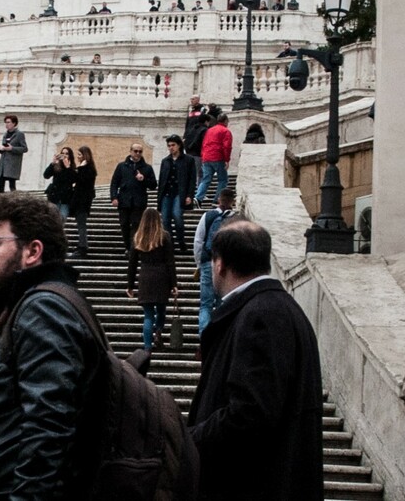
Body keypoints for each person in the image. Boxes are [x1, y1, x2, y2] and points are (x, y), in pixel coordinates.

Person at [0, 192, 102, 497]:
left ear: (32, 251)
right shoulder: (39, 305)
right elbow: (10, 413)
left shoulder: (44, 308)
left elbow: (48, 428)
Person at [189, 221, 323, 501]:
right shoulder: (279, 308)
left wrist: (188, 440)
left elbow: (250, 414)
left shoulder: (260, 315)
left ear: (219, 264)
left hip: (252, 485)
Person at [126, 208, 177, 352]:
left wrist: (130, 284)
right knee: (161, 310)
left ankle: (147, 348)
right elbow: (170, 262)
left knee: (148, 315)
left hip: (146, 277)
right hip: (162, 277)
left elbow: (132, 264)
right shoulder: (164, 236)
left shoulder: (138, 237)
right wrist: (174, 284)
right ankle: (159, 331)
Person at [193, 188, 238, 334]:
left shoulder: (208, 216)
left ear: (219, 199)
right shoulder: (237, 220)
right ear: (233, 201)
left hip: (208, 262)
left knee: (205, 305)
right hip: (227, 266)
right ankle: (219, 340)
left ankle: (204, 340)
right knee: (222, 304)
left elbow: (198, 241)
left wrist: (199, 263)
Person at [110, 142, 158, 253]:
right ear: (130, 151)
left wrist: (143, 179)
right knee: (124, 224)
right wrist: (114, 197)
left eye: (140, 151)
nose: (137, 153)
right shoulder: (122, 166)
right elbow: (114, 183)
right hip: (124, 200)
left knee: (136, 225)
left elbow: (153, 185)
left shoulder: (147, 168)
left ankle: (133, 248)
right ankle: (128, 246)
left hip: (139, 201)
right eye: (135, 151)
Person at [157, 134, 197, 252]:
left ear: (179, 145)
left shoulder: (189, 160)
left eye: (173, 145)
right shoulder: (165, 161)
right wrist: (159, 197)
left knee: (177, 215)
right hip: (166, 193)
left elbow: (192, 179)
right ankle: (170, 243)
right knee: (165, 219)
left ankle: (180, 240)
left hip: (180, 192)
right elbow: (162, 179)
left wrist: (190, 195)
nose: (171, 148)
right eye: (169, 146)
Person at [194, 113, 233, 203]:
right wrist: (227, 160)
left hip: (207, 157)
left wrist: (203, 156)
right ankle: (217, 200)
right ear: (226, 121)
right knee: (223, 179)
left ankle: (198, 197)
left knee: (206, 179)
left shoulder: (209, 130)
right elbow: (227, 146)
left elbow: (204, 144)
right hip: (218, 158)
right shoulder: (225, 131)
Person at [67, 146, 97, 259]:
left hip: (82, 201)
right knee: (80, 224)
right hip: (80, 201)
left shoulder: (88, 169)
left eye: (79, 155)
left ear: (85, 155)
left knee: (81, 225)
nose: (78, 157)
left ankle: (82, 247)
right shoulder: (87, 168)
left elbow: (79, 179)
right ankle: (81, 246)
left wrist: (79, 168)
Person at [42, 146, 76, 221]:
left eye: (67, 154)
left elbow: (73, 179)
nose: (64, 155)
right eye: (62, 153)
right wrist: (52, 163)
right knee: (53, 218)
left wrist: (68, 167)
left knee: (63, 217)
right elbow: (46, 175)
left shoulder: (71, 167)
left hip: (65, 198)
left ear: (70, 155)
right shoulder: (56, 166)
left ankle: (59, 232)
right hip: (55, 196)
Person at [0, 114, 27, 192]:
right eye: (6, 122)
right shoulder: (5, 134)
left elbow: (24, 148)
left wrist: (12, 148)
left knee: (12, 185)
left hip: (13, 164)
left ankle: (13, 202)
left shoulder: (19, 134)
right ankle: (0, 202)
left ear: (14, 123)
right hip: (3, 163)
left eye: (8, 122)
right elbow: (3, 147)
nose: (6, 124)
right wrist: (1, 149)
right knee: (1, 184)